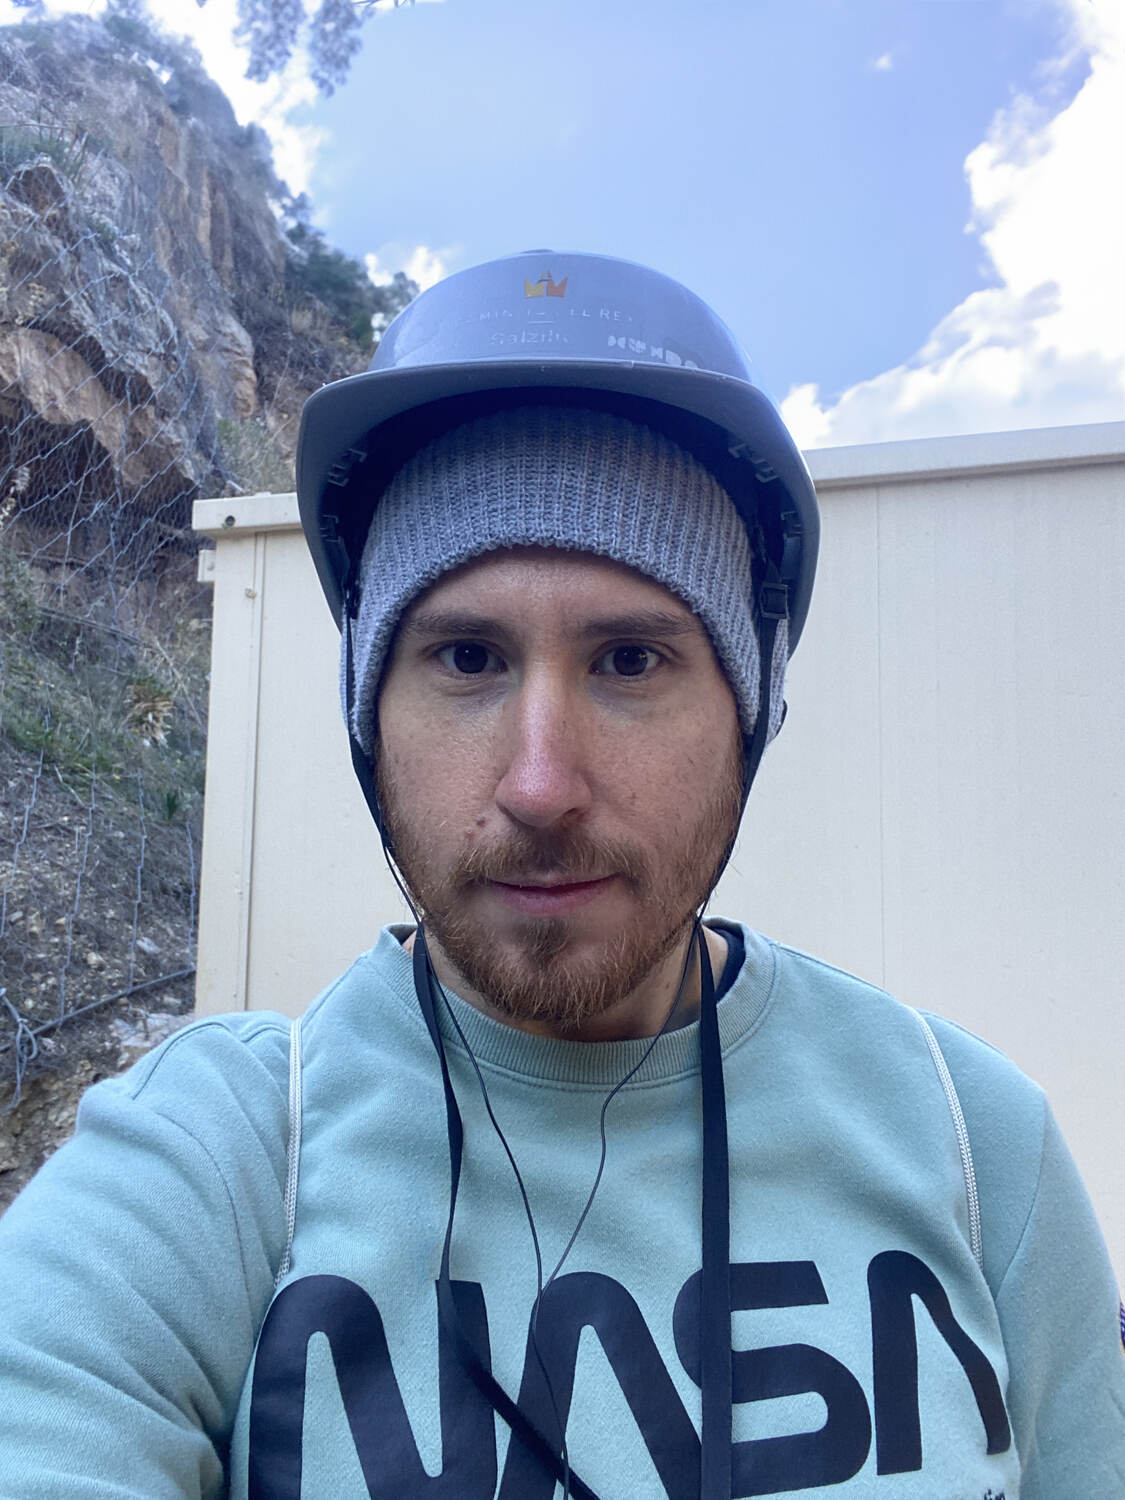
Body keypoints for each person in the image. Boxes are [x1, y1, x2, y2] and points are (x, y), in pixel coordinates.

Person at [0, 251, 1122, 1500]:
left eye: (632, 661)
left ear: (752, 714)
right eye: (467, 656)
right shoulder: (217, 1163)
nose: (540, 785)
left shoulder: (974, 1142)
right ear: (369, 713)